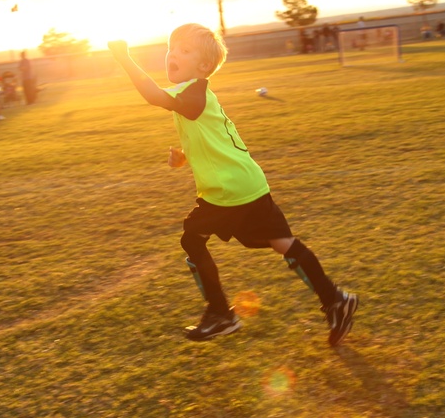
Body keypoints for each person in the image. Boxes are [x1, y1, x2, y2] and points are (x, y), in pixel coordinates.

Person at [107, 23, 357, 345]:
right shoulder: (195, 98)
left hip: (227, 192)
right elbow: (215, 140)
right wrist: (184, 155)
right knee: (283, 243)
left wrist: (125, 58)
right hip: (248, 184)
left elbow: (153, 95)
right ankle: (336, 299)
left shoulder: (194, 92)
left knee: (192, 240)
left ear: (204, 67)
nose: (173, 54)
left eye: (184, 50)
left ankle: (221, 314)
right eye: (172, 48)